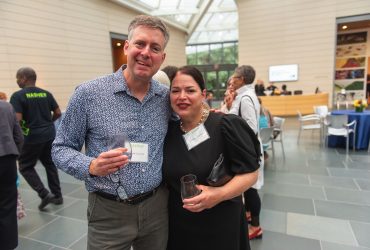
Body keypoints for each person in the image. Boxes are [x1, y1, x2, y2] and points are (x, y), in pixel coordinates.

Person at [52, 15, 171, 250]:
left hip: (157, 209)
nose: (146, 52)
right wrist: (90, 166)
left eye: (155, 48)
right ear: (127, 46)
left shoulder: (165, 98)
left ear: (162, 57)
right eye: (140, 44)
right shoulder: (88, 94)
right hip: (108, 212)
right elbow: (60, 148)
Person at [163, 65, 260, 250]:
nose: (182, 96)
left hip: (220, 224)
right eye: (175, 91)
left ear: (203, 94)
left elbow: (251, 173)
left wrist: (218, 194)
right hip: (180, 226)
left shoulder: (225, 126)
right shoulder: (169, 132)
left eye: (190, 90)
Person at [9, 67, 63, 211]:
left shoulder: (17, 96)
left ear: (24, 78)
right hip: (49, 134)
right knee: (50, 164)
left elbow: (18, 120)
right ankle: (57, 196)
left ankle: (44, 194)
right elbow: (58, 112)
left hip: (32, 137)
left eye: (18, 78)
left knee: (25, 166)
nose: (17, 81)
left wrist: (23, 133)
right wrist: (48, 123)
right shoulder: (46, 94)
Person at [228, 65, 264, 240]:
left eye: (234, 77)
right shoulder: (242, 96)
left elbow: (250, 128)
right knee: (248, 188)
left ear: (241, 79)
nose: (231, 80)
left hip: (248, 151)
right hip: (247, 149)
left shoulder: (246, 98)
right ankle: (249, 214)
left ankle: (256, 227)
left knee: (251, 189)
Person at [0, 100, 24, 250]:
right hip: (7, 160)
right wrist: (14, 157)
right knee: (8, 204)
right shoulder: (6, 106)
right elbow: (19, 137)